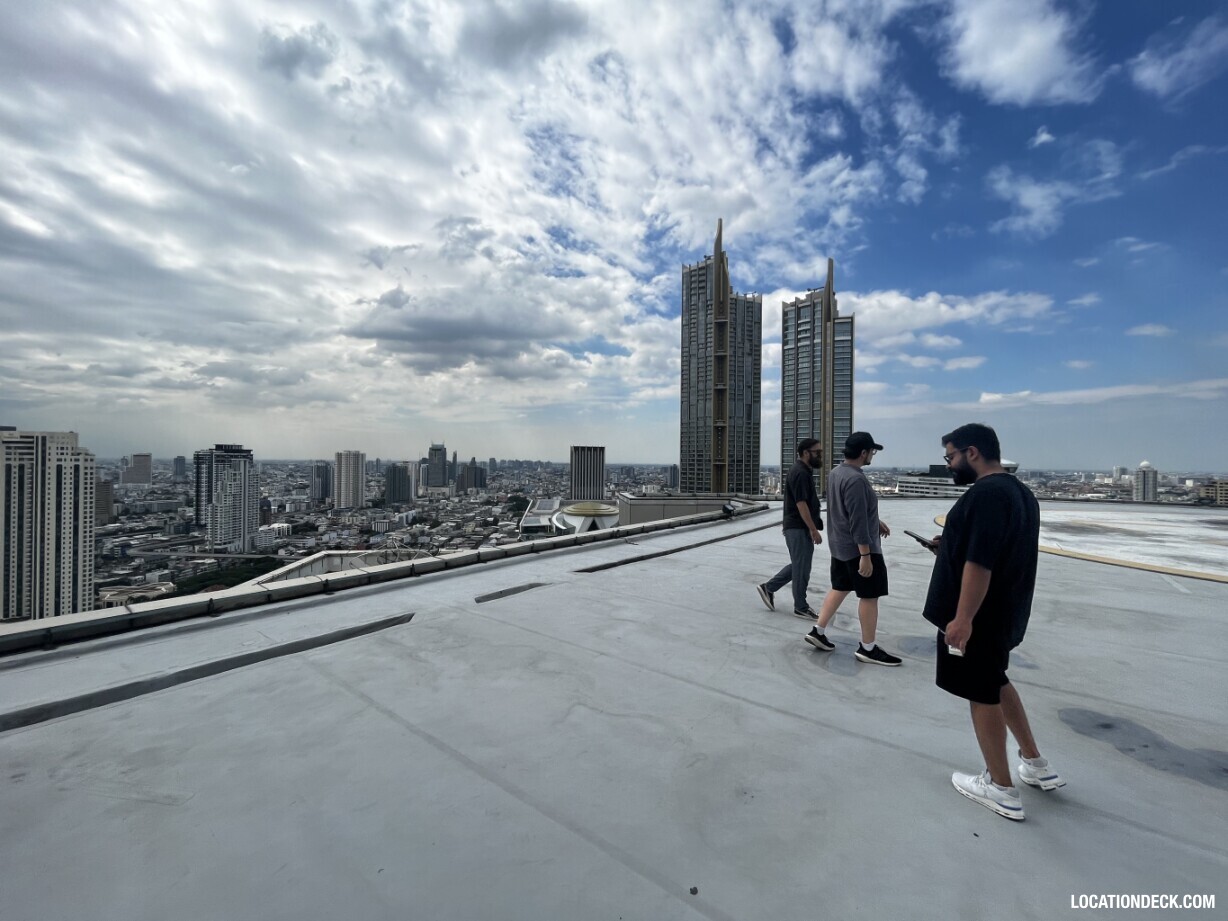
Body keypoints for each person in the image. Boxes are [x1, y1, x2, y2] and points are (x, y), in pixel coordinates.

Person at [922, 423, 1065, 821]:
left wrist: (963, 618)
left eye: (950, 456)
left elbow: (980, 562)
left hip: (979, 617)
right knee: (996, 680)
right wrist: (947, 546)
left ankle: (1000, 788)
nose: (948, 464)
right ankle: (1035, 763)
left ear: (972, 452)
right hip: (1004, 611)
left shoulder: (985, 495)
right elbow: (993, 550)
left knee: (981, 692)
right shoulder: (1020, 493)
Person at [806, 432, 901, 666]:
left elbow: (848, 509)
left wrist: (875, 521)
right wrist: (866, 555)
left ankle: (818, 630)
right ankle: (868, 648)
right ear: (863, 453)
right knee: (869, 596)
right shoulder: (856, 479)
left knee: (840, 587)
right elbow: (857, 518)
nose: (872, 456)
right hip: (859, 549)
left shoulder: (836, 473)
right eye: (872, 452)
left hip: (839, 546)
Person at [756, 439, 823, 618]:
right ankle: (800, 606)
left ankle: (768, 588)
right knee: (802, 567)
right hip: (799, 527)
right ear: (806, 453)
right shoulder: (800, 473)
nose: (820, 455)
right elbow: (801, 504)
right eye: (817, 452)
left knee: (800, 565)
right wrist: (813, 529)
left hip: (797, 527)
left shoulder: (802, 471)